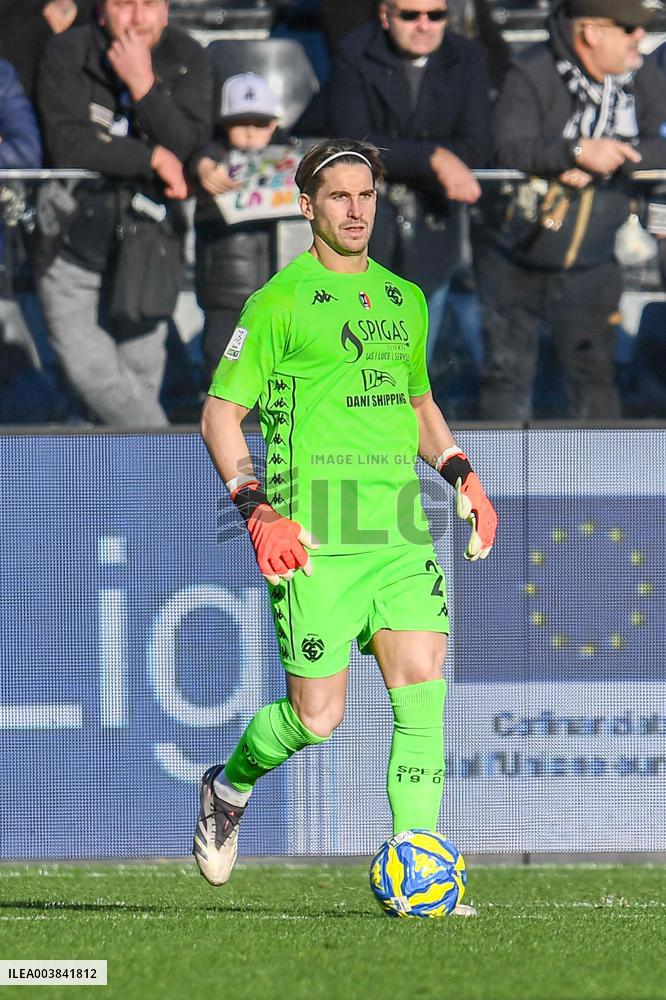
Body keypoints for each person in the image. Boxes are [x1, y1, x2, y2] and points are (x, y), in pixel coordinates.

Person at [193, 138, 498, 909]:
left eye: (367, 196)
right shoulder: (276, 304)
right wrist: (256, 510)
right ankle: (229, 789)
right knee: (317, 717)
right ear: (307, 208)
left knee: (422, 686)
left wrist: (461, 470)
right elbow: (219, 416)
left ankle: (419, 869)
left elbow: (416, 402)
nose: (357, 210)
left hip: (399, 533)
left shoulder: (404, 298)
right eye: (339, 197)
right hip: (314, 540)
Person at [476, 0, 666, 421]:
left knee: (595, 383)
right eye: (628, 28)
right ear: (591, 32)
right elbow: (507, 146)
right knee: (506, 382)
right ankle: (490, 484)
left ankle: (608, 483)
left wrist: (610, 157)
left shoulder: (641, 74)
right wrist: (574, 153)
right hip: (515, 259)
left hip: (593, 263)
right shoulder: (531, 70)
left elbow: (662, 141)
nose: (640, 38)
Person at [36, 0, 211, 426]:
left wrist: (144, 86)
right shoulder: (68, 52)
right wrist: (150, 158)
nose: (137, 17)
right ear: (100, 12)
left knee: (140, 377)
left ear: (166, 11)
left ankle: (132, 487)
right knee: (90, 372)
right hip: (71, 240)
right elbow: (67, 143)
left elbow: (190, 145)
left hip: (150, 246)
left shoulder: (188, 56)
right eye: (123, 4)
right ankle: (171, 457)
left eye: (149, 4)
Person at [326, 1, 492, 364]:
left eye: (436, 15)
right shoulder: (354, 53)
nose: (424, 25)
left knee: (416, 368)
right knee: (361, 361)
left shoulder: (467, 58)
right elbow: (353, 142)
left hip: (435, 230)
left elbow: (477, 146)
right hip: (368, 229)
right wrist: (434, 158)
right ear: (385, 15)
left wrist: (408, 157)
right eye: (410, 15)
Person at [191, 72, 289, 382]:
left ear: (274, 124)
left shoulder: (293, 163)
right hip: (226, 294)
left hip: (281, 295)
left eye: (260, 123)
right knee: (225, 375)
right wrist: (204, 169)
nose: (250, 132)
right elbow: (197, 163)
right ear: (223, 125)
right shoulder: (211, 163)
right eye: (239, 123)